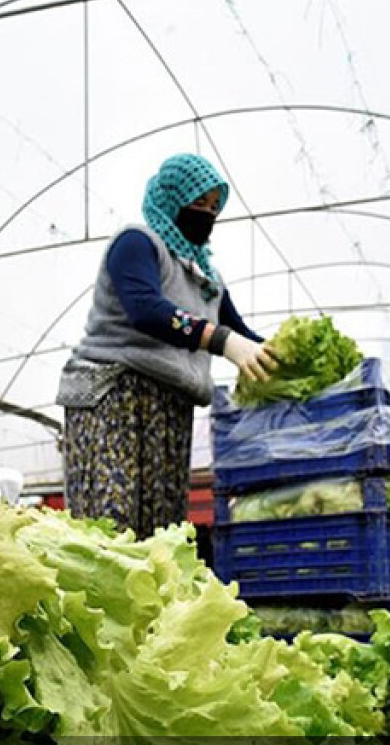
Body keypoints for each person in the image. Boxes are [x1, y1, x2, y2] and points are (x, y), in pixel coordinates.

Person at [56, 153, 277, 537]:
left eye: (213, 208)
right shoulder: (138, 243)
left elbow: (241, 334)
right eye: (198, 204)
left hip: (170, 406)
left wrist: (291, 359)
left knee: (160, 530)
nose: (206, 215)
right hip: (112, 395)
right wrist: (219, 340)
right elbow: (145, 309)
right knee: (110, 522)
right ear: (173, 199)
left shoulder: (207, 276)